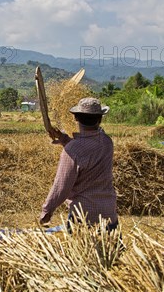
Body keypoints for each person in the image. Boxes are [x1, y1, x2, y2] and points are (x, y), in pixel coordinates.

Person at [40, 97, 118, 232]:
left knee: (82, 253)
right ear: (100, 119)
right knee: (111, 252)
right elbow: (87, 149)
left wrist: (47, 210)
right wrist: (64, 138)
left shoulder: (73, 150)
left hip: (84, 216)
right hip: (109, 213)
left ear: (76, 118)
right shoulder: (106, 142)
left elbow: (61, 186)